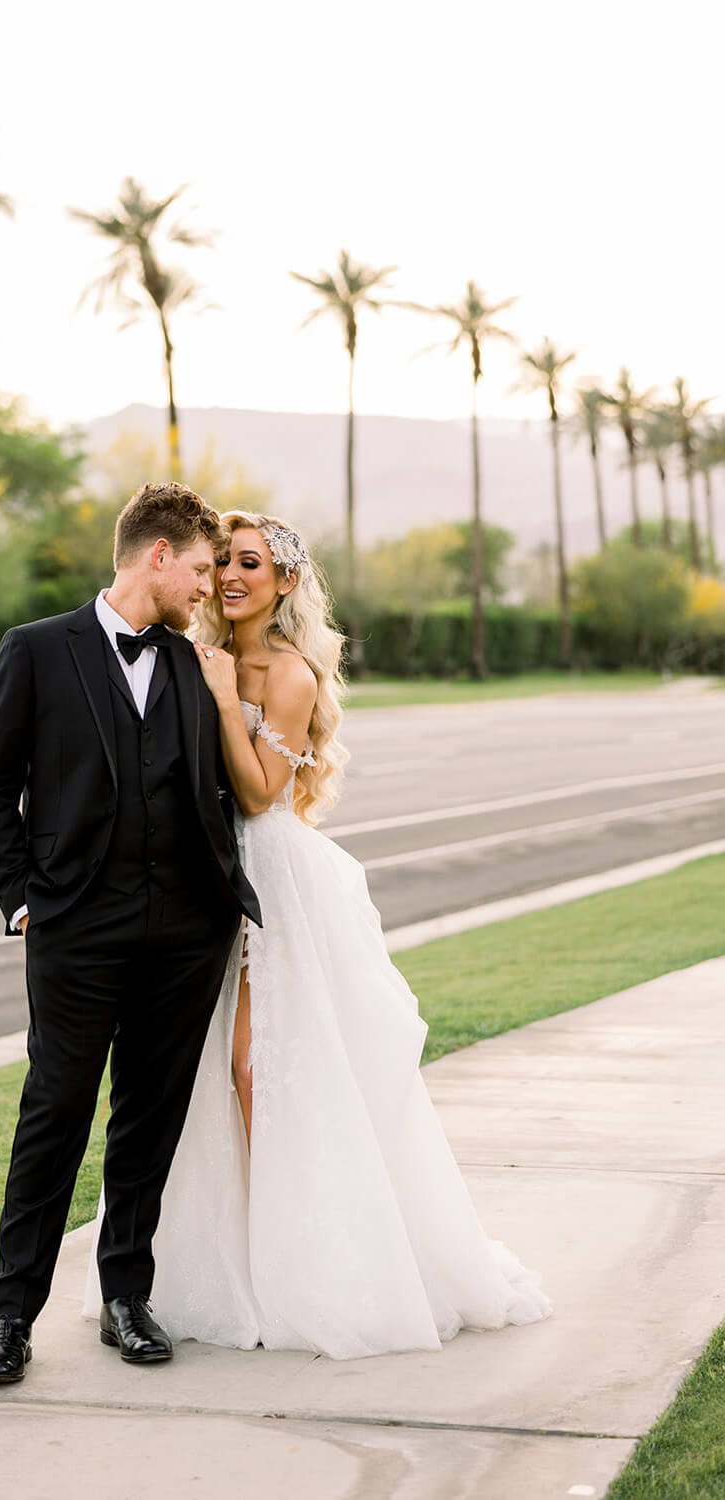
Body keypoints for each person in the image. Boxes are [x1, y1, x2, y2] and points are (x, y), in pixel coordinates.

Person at [84, 511, 551, 1359]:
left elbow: (262, 792)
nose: (230, 575)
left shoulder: (287, 673)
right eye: (222, 560)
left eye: (251, 564)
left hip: (272, 879)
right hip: (204, 878)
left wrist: (227, 699)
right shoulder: (192, 652)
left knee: (256, 1066)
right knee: (194, 1073)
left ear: (286, 582)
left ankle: (291, 1260)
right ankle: (174, 1268)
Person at [0, 482, 260, 1382]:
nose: (210, 587)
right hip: (74, 924)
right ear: (157, 558)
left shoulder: (194, 666)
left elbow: (229, 791)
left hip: (185, 928)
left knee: (150, 1115)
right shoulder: (36, 650)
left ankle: (127, 1298)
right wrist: (21, 898)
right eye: (204, 569)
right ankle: (11, 1316)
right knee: (54, 1110)